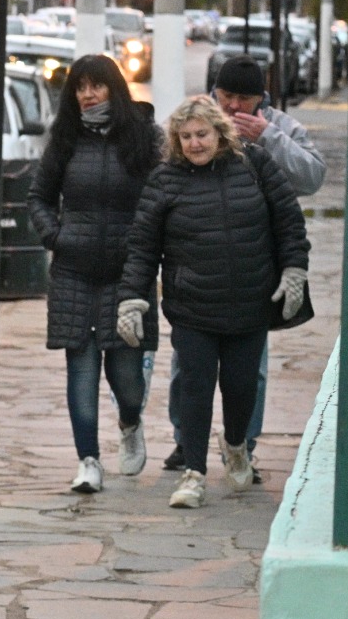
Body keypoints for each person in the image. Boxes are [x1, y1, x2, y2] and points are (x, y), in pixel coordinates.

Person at [118, 96, 310, 509]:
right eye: (185, 137)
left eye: (201, 134)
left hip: (249, 302)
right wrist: (132, 298)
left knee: (241, 389)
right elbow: (142, 246)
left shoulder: (255, 165)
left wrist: (294, 271)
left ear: (220, 133)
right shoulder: (165, 180)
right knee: (195, 388)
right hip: (192, 308)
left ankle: (237, 443)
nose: (194, 144)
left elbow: (289, 221)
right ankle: (194, 473)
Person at [160, 56, 326, 478]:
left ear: (261, 99)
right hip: (198, 266)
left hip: (255, 265)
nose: (234, 106)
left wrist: (269, 137)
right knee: (188, 365)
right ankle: (186, 441)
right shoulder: (196, 121)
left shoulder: (280, 128)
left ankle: (243, 444)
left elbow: (313, 177)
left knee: (249, 370)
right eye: (226, 96)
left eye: (244, 99)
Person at [29, 55, 162, 495]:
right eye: (80, 87)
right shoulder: (64, 140)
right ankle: (88, 460)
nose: (88, 94)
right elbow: (39, 198)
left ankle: (130, 422)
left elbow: (160, 200)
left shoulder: (143, 138)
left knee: (127, 376)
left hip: (128, 274)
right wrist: (57, 237)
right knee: (80, 369)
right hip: (73, 272)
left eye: (97, 86)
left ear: (114, 89)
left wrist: (145, 250)